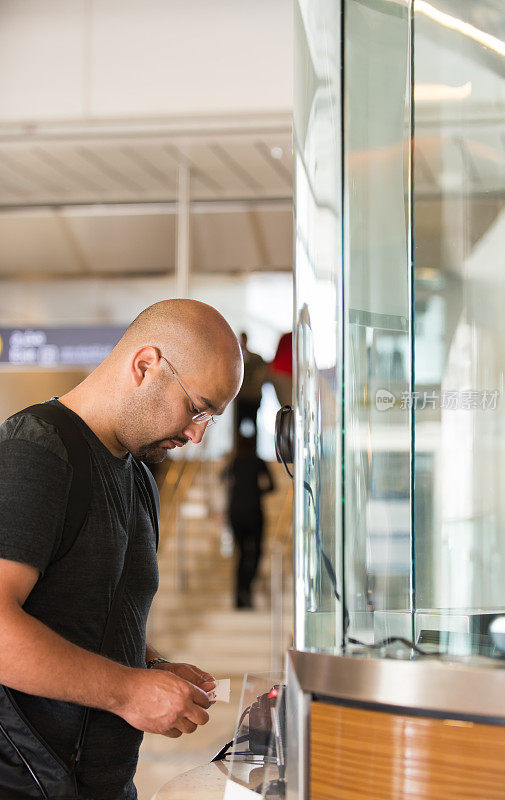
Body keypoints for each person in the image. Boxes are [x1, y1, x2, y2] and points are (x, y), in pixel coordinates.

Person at [0, 299, 243, 800]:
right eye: (197, 408)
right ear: (145, 365)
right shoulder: (37, 451)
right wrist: (128, 691)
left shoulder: (138, 481)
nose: (197, 434)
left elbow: (82, 617)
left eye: (210, 419)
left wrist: (148, 666)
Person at [223, 434, 274, 608]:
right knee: (257, 552)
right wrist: (257, 492)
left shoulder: (235, 462)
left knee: (242, 554)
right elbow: (272, 486)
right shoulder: (257, 461)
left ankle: (239, 596)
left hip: (235, 512)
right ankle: (246, 589)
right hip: (253, 512)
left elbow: (222, 478)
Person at [235, 332, 266, 444]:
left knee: (254, 425)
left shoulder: (257, 359)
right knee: (237, 427)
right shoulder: (235, 357)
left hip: (252, 398)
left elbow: (262, 376)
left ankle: (254, 451)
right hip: (241, 398)